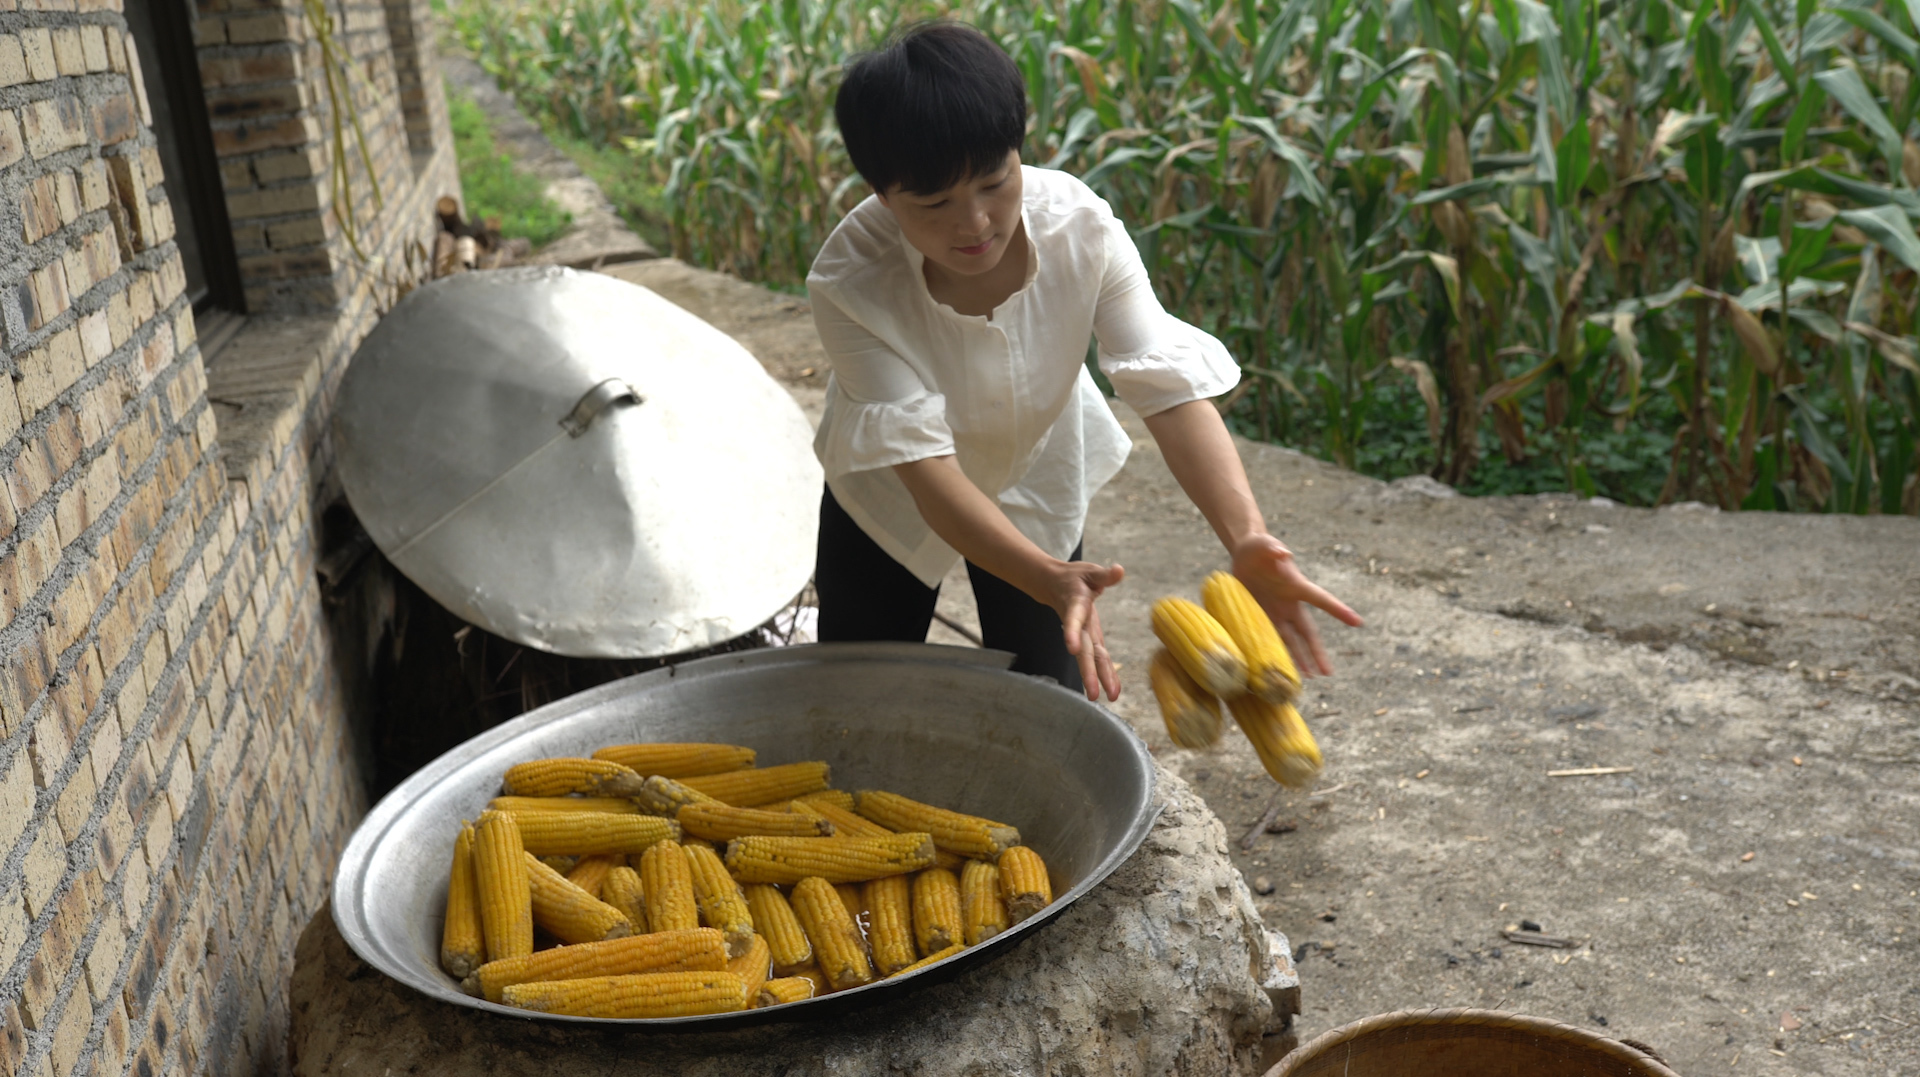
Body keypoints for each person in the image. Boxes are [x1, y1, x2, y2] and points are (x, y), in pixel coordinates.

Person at [808, 20, 1359, 701]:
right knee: (858, 690)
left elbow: (1167, 388)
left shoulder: (1082, 228)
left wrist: (1247, 536)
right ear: (882, 194)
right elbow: (926, 473)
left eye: (993, 181)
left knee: (1049, 697)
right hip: (890, 494)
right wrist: (1043, 575)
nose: (975, 222)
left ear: (1018, 151)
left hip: (1035, 469)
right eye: (935, 203)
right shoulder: (850, 280)